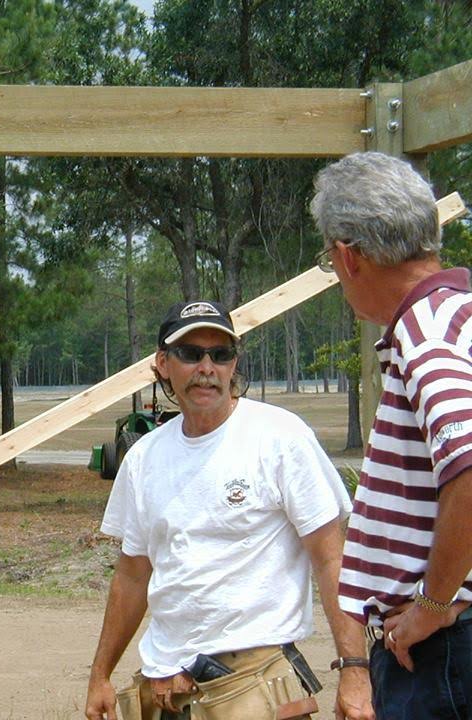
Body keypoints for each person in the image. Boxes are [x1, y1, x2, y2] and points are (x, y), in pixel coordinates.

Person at [84, 300, 373, 720]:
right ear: (163, 363)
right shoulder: (144, 457)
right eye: (190, 354)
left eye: (220, 355)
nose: (207, 368)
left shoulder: (280, 437)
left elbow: (331, 559)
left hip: (257, 687)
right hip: (165, 688)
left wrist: (355, 670)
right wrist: (100, 675)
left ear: (233, 363)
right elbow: (132, 575)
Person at [311, 151, 472, 720]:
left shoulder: (426, 335)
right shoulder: (459, 318)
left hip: (441, 656)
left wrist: (433, 602)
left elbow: (469, 468)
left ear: (348, 256)